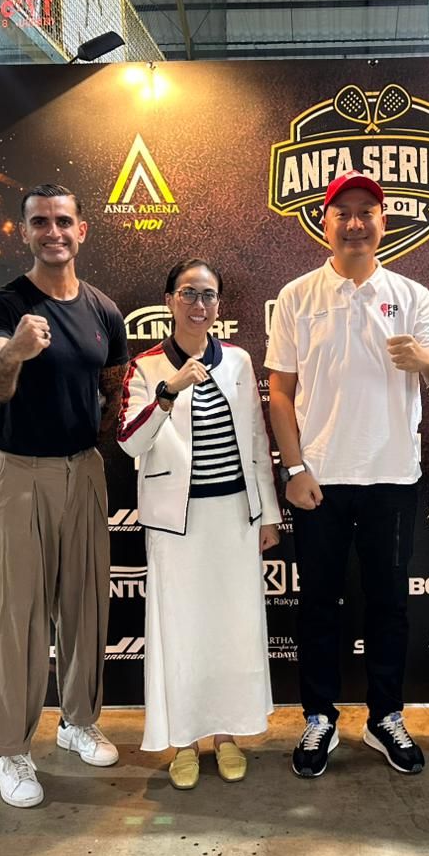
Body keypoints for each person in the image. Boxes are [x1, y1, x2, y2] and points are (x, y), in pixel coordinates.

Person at [266, 170, 429, 778]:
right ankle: (319, 716)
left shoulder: (412, 295)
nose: (354, 223)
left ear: (383, 222)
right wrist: (295, 467)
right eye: (342, 212)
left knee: (389, 605)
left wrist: (422, 358)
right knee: (318, 604)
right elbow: (280, 391)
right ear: (324, 223)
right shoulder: (297, 296)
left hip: (393, 477)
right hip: (318, 480)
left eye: (365, 212)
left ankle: (385, 717)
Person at [0, 184, 129, 808]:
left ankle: (77, 721)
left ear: (81, 230)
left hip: (82, 468)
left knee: (85, 605)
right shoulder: (3, 305)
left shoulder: (104, 311)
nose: (53, 231)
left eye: (63, 220)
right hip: (18, 472)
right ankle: (11, 750)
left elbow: (114, 392)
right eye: (40, 222)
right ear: (24, 231)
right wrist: (16, 349)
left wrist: (87, 442)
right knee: (18, 615)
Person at [117, 258, 282, 789]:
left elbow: (256, 439)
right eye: (188, 293)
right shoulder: (145, 366)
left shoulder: (237, 360)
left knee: (232, 630)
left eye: (208, 295)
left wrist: (268, 513)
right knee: (182, 631)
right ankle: (184, 741)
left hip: (234, 516)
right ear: (169, 301)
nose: (198, 305)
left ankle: (227, 735)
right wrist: (169, 391)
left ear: (218, 305)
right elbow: (130, 442)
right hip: (176, 525)